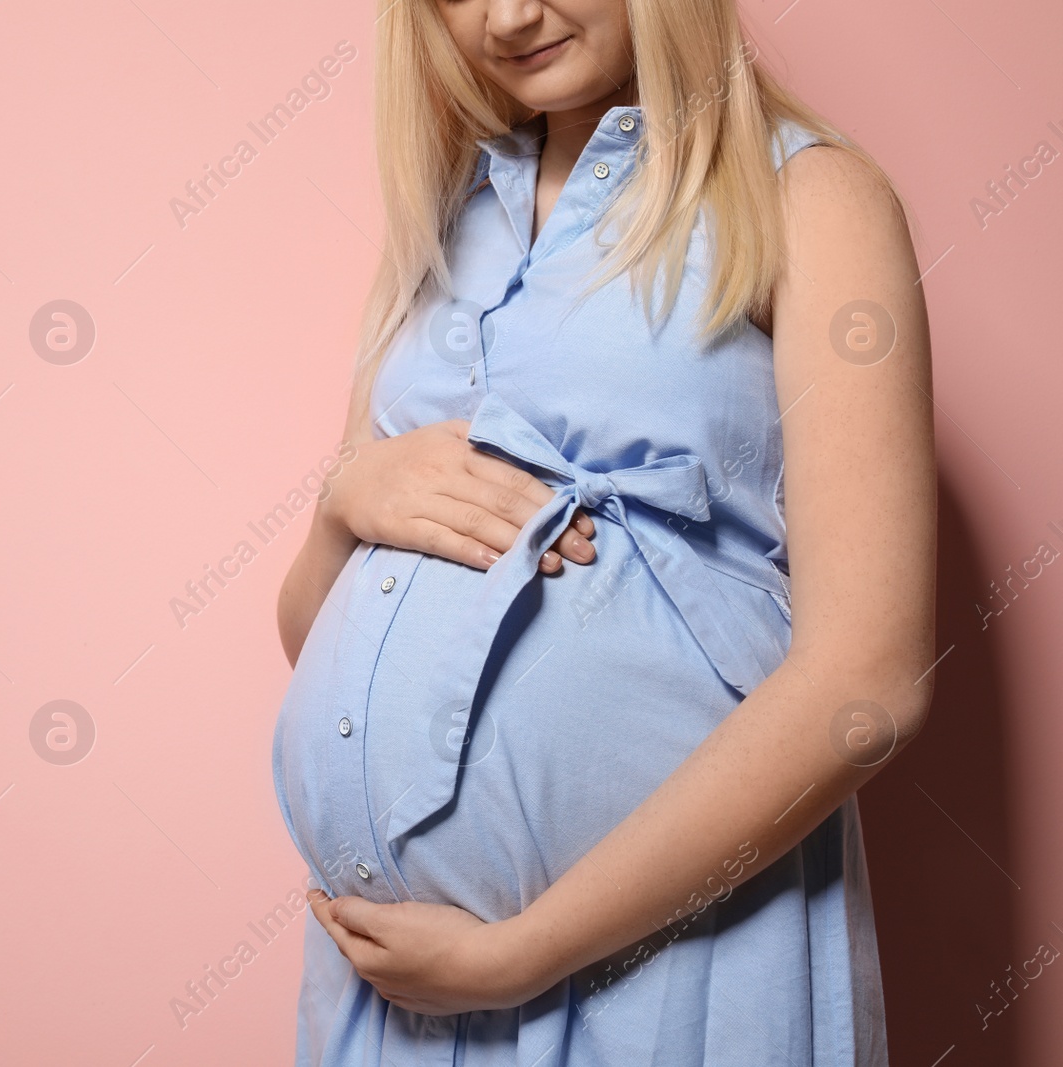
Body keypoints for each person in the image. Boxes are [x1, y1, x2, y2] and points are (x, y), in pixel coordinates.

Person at [269, 0, 938, 1063]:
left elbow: (871, 681)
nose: (505, 16)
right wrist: (345, 497)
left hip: (676, 966)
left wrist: (521, 951)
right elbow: (315, 630)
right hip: (390, 994)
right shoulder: (450, 217)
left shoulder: (809, 197)